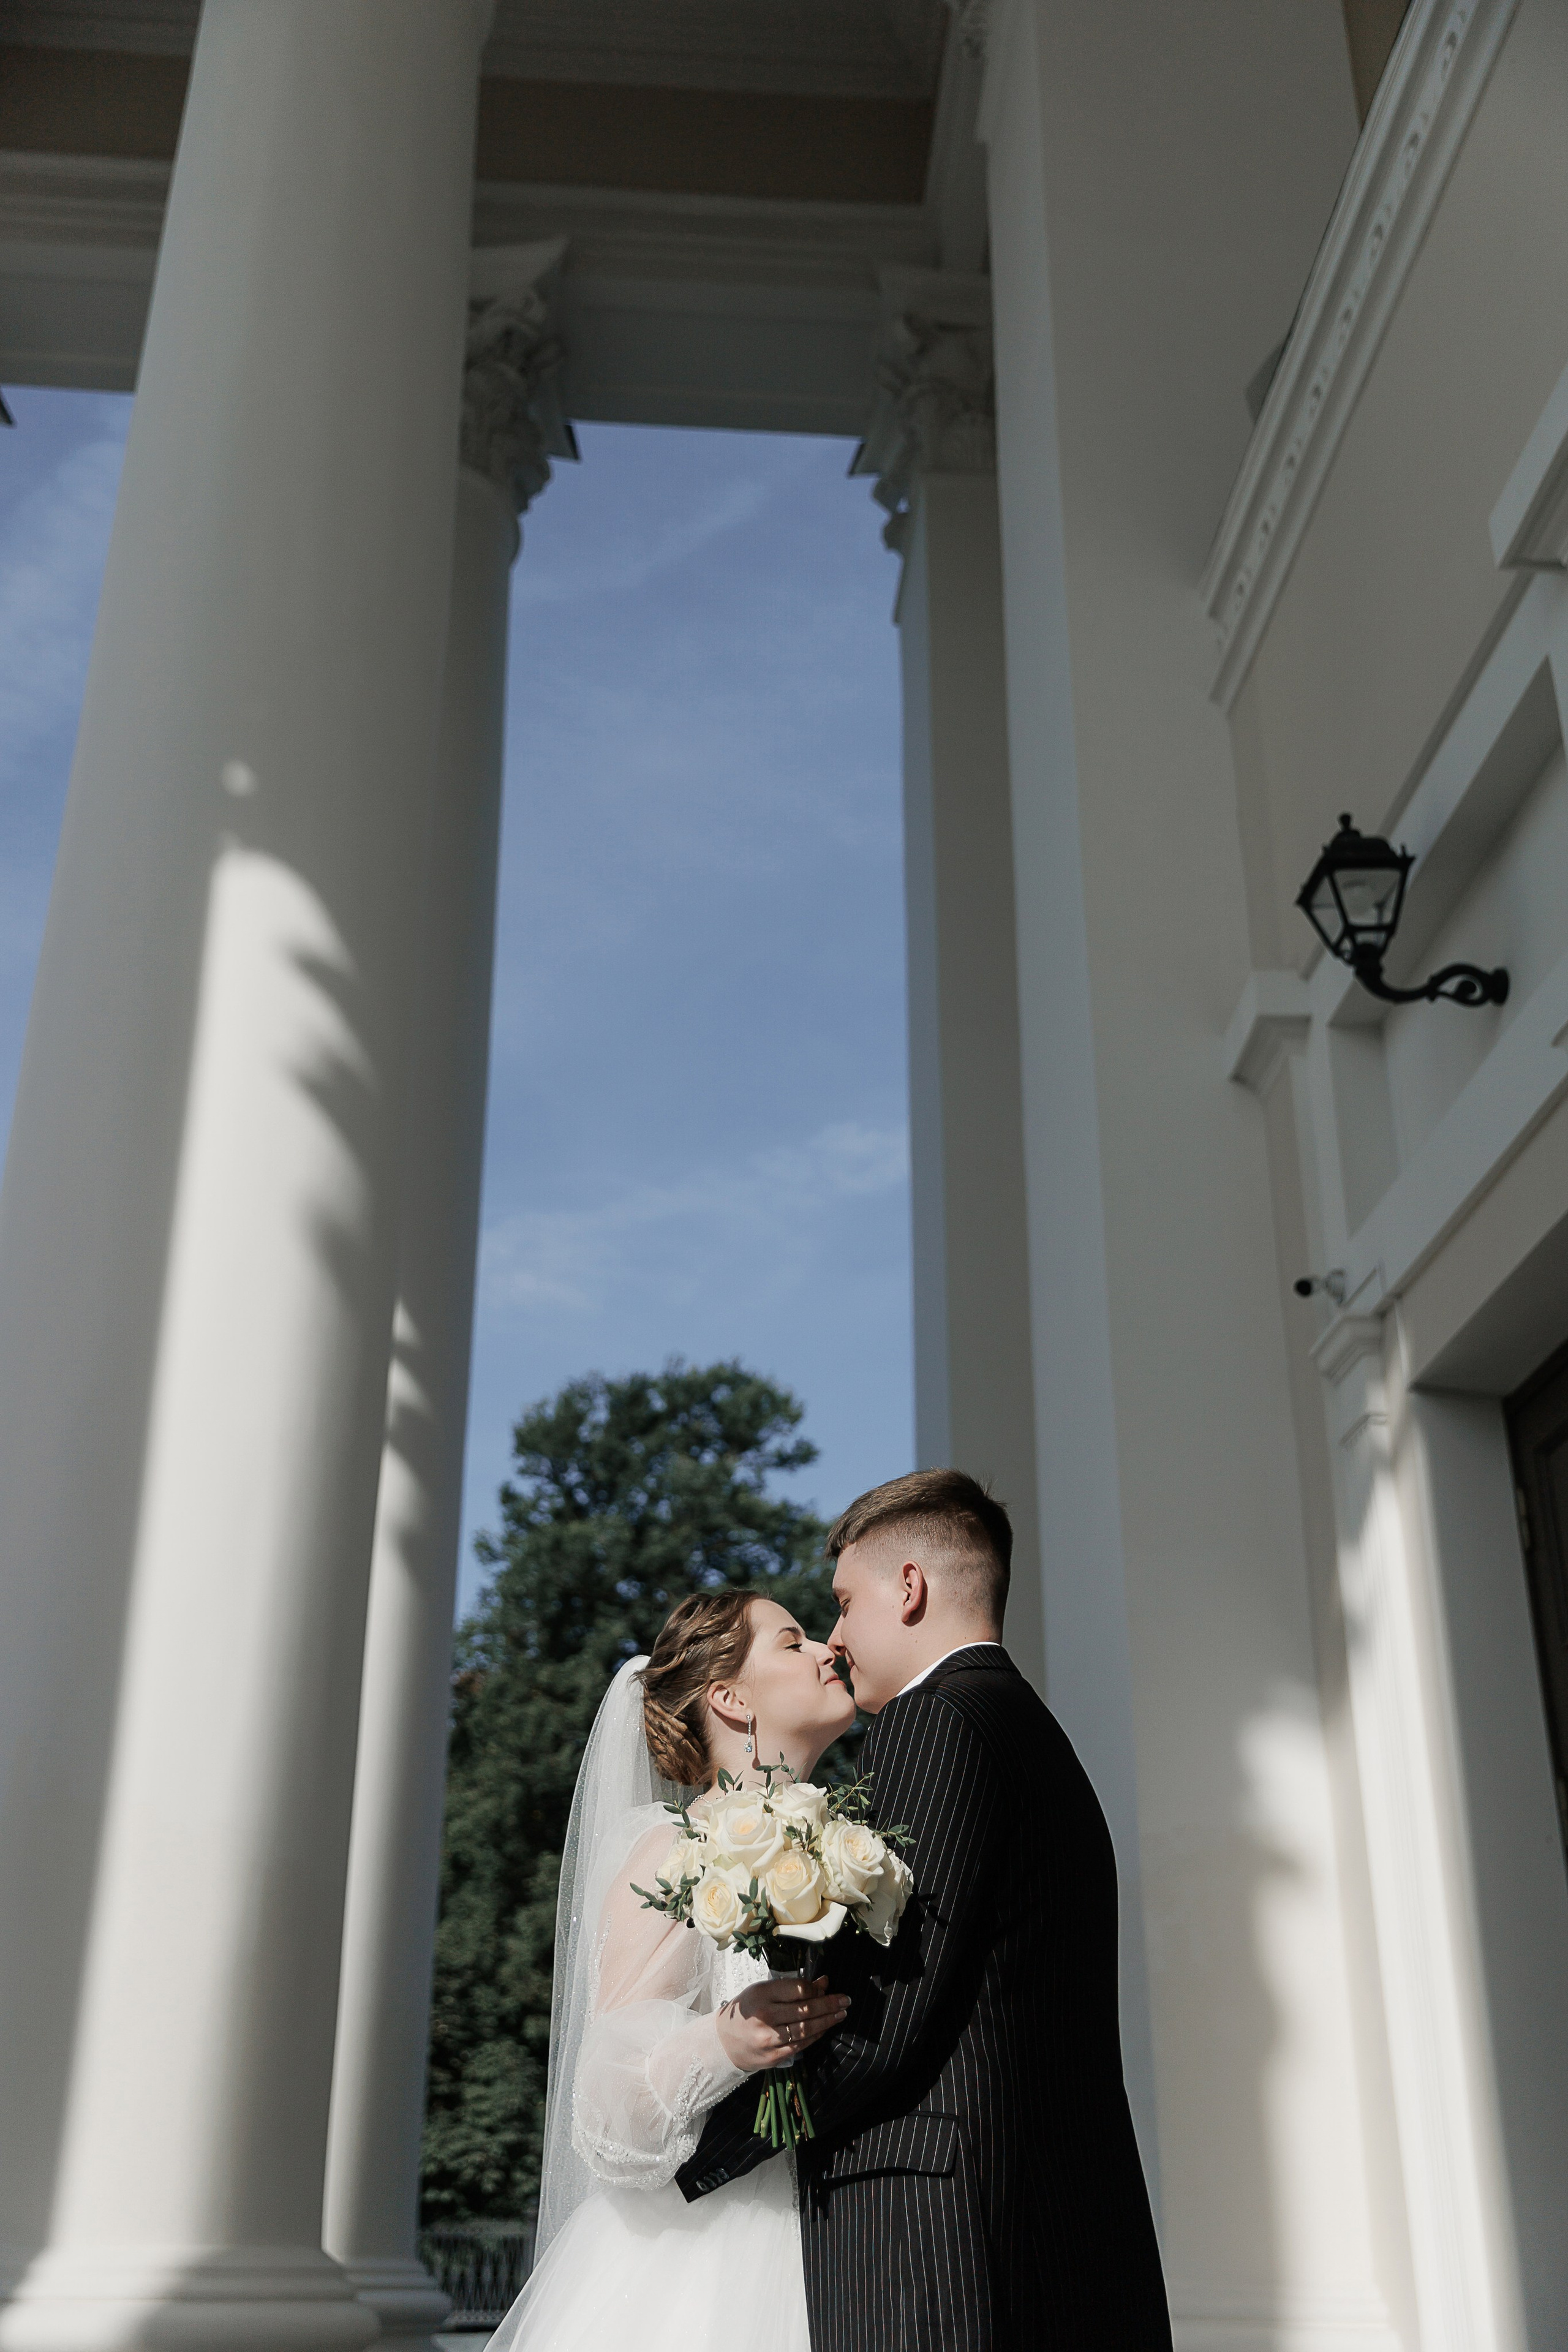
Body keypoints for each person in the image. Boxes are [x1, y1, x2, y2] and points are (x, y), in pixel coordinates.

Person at [677, 1468, 1173, 2352]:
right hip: (1057, 2222)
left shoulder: (931, 1721)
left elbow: (880, 2013)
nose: (835, 1638)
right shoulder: (1032, 1729)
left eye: (843, 1603)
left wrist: (704, 2152)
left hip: (937, 2234)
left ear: (908, 1588)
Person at [486, 1587, 855, 2352]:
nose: (828, 1649)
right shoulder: (673, 1852)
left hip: (841, 2241)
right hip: (705, 2264)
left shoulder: (856, 1846)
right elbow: (604, 2111)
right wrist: (724, 2044)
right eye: (793, 1643)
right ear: (730, 1699)